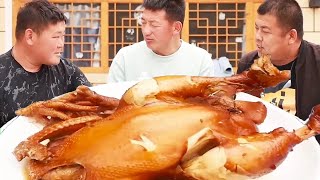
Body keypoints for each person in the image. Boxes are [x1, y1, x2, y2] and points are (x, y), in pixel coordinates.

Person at [236, 0, 320, 143]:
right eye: (257, 28)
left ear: (291, 36)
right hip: (263, 152)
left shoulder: (316, 62)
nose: (258, 37)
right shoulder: (248, 63)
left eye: (265, 31)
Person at [0, 0, 91, 127]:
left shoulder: (68, 72)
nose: (61, 44)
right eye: (56, 37)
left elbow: (94, 106)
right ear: (30, 36)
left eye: (63, 36)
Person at [108, 0, 214, 83]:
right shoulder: (125, 57)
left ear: (176, 28)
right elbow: (111, 105)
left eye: (154, 25)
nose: (146, 31)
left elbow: (207, 107)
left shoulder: (200, 60)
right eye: (143, 23)